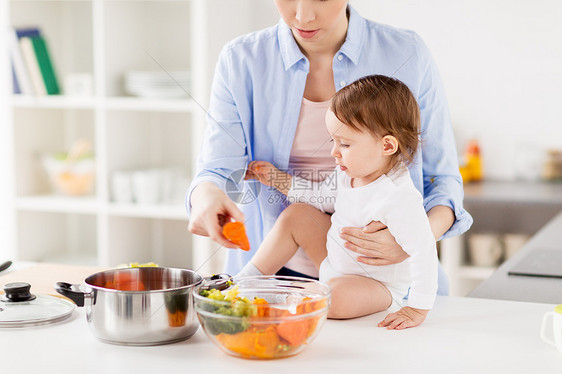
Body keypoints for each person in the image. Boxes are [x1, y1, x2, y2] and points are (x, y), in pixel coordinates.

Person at [186, 0, 472, 293]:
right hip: (273, 281)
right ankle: (244, 284)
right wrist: (206, 195)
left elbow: (443, 182)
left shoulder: (408, 53)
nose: (302, 16)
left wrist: (413, 239)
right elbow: (217, 169)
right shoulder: (240, 59)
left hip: (386, 280)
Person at [238, 75, 437, 329]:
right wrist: (277, 180)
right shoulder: (347, 174)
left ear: (387, 145)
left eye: (344, 143)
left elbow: (424, 250)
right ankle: (244, 283)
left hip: (376, 286)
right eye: (333, 140)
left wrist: (417, 308)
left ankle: (281, 301)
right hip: (334, 264)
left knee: (334, 298)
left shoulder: (397, 196)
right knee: (297, 215)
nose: (334, 151)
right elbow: (319, 198)